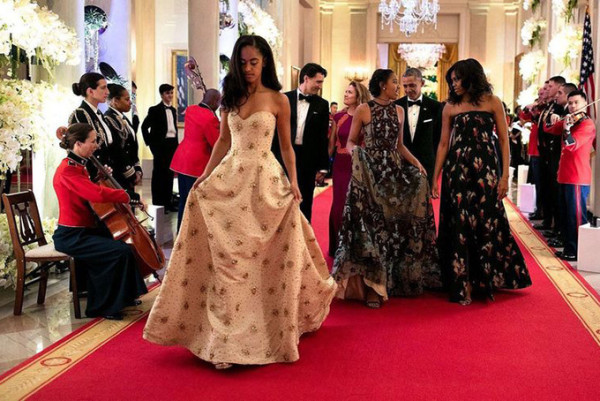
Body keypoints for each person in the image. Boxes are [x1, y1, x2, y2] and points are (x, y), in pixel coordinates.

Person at [143, 35, 336, 369]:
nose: (248, 69)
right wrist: (204, 176)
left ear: (264, 63)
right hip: (230, 179)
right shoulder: (231, 98)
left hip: (264, 182)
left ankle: (265, 326)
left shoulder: (278, 100)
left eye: (254, 63)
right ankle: (225, 339)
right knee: (229, 261)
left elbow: (287, 146)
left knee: (260, 257)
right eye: (243, 62)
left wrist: (293, 181)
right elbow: (221, 142)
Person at [332, 69, 441, 308]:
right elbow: (351, 141)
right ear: (382, 84)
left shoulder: (399, 110)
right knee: (372, 226)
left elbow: (399, 146)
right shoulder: (363, 109)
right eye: (394, 82)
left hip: (393, 173)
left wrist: (416, 163)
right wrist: (356, 154)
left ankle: (393, 280)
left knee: (393, 226)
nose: (398, 87)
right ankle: (372, 286)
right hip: (370, 173)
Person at [432, 58, 532, 305]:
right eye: (451, 80)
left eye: (457, 79)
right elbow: (444, 143)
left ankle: (486, 279)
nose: (454, 84)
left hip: (485, 169)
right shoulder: (450, 106)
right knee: (459, 223)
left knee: (486, 220)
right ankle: (461, 282)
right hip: (457, 171)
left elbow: (504, 141)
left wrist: (505, 176)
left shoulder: (492, 102)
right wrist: (435, 177)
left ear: (471, 77)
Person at [53, 123, 148, 320]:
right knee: (117, 252)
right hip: (71, 235)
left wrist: (98, 176)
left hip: (84, 230)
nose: (97, 145)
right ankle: (105, 306)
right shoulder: (67, 170)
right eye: (93, 141)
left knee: (123, 245)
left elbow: (85, 192)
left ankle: (125, 296)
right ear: (78, 144)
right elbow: (94, 194)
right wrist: (127, 195)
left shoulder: (78, 165)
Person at [272, 63, 330, 222]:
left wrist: (323, 167)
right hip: (282, 156)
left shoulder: (322, 104)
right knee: (280, 201)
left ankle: (303, 242)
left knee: (304, 203)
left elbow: (322, 137)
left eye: (321, 82)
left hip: (307, 160)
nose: (320, 86)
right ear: (306, 78)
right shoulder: (284, 98)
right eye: (318, 82)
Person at [544, 90, 596, 261]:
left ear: (584, 103)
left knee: (576, 217)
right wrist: (551, 117)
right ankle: (568, 247)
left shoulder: (587, 125)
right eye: (570, 103)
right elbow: (548, 129)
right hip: (564, 175)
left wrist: (566, 130)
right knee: (565, 215)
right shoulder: (569, 120)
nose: (572, 106)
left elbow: (571, 145)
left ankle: (576, 250)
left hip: (577, 177)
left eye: (576, 103)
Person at [328, 81, 370, 256]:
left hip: (358, 165)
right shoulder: (338, 116)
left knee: (354, 204)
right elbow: (332, 143)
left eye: (349, 92)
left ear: (358, 95)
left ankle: (354, 246)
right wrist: (324, 166)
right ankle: (337, 245)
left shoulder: (366, 115)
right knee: (339, 204)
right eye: (345, 91)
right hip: (340, 164)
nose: (345, 95)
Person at [170, 89, 221, 231]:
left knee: (184, 200)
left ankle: (181, 231)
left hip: (182, 159)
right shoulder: (210, 118)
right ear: (215, 101)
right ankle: (192, 233)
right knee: (195, 201)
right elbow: (216, 143)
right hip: (197, 163)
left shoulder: (190, 110)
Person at [395, 68, 443, 183]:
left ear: (422, 83)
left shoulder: (436, 107)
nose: (408, 90)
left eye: (412, 85)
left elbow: (438, 139)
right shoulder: (396, 106)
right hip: (400, 165)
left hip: (426, 166)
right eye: (405, 86)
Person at [68, 72, 114, 180]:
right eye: (103, 88)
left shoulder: (99, 114)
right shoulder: (80, 114)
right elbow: (80, 149)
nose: (107, 92)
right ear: (90, 91)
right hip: (94, 175)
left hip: (106, 172)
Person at [141, 84, 179, 210]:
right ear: (162, 95)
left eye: (172, 93)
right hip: (160, 147)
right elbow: (144, 127)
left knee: (169, 175)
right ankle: (158, 202)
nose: (170, 96)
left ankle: (168, 203)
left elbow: (173, 129)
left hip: (172, 145)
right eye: (168, 93)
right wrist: (151, 145)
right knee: (159, 174)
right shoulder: (154, 110)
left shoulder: (173, 110)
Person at [104, 84, 143, 191]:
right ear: (115, 101)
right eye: (127, 99)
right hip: (120, 174)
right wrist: (131, 173)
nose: (130, 102)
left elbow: (133, 146)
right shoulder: (108, 119)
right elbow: (116, 150)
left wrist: (137, 168)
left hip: (129, 171)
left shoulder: (123, 117)